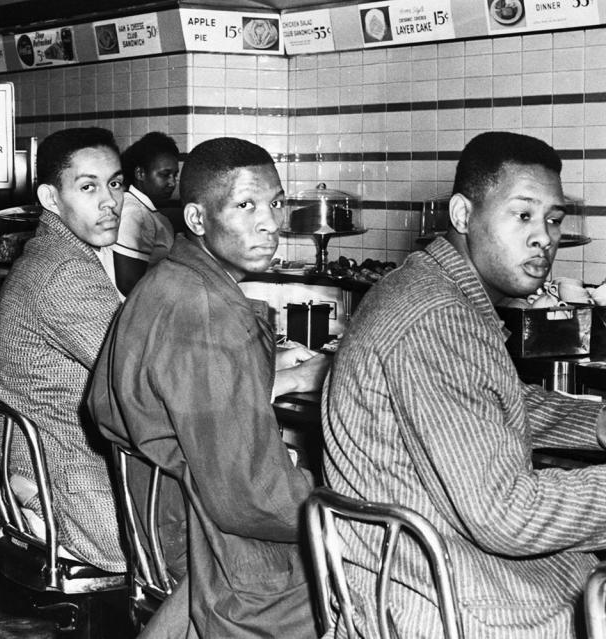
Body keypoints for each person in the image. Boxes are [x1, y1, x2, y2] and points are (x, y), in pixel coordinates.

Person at [322, 131, 606, 638]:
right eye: (523, 215)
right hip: (442, 606)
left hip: (404, 577)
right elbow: (508, 514)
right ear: (462, 215)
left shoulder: (424, 285)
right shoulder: (439, 317)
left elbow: (499, 400)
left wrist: (601, 423)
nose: (544, 236)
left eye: (554, 219)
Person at [89, 137, 328, 638]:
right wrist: (343, 501)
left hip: (168, 524)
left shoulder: (170, 282)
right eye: (245, 206)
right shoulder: (208, 312)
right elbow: (252, 496)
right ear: (198, 220)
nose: (270, 222)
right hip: (210, 545)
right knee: (397, 564)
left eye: (276, 203)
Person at [0, 127, 127, 574]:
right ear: (51, 198)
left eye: (116, 184)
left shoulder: (56, 255)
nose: (110, 201)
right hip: (71, 496)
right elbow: (149, 373)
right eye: (88, 187)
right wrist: (277, 376)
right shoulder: (63, 272)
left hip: (45, 473)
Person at [112, 131, 179, 295]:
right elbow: (129, 283)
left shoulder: (144, 209)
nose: (172, 183)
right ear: (140, 173)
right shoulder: (135, 213)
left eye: (174, 175)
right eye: (164, 175)